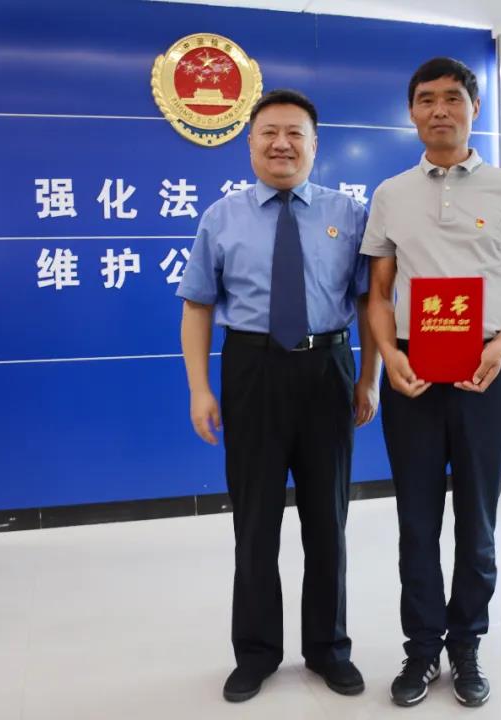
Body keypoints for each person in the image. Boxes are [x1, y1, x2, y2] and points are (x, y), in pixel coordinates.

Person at [361, 57, 501, 708]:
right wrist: (388, 354)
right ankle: (422, 650)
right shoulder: (391, 194)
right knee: (416, 521)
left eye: (453, 98)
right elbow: (379, 294)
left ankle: (467, 646)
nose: (439, 109)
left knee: (477, 520)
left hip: (487, 370)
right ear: (411, 112)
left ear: (474, 108)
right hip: (414, 372)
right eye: (426, 99)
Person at [176, 89, 381, 703]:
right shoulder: (221, 217)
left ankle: (329, 649)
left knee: (328, 521)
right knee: (255, 522)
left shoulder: (349, 213)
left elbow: (369, 302)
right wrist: (199, 389)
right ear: (251, 144)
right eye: (269, 133)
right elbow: (197, 306)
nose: (282, 144)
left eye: (295, 134)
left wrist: (368, 377)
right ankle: (257, 652)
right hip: (252, 370)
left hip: (327, 368)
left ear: (315, 145)